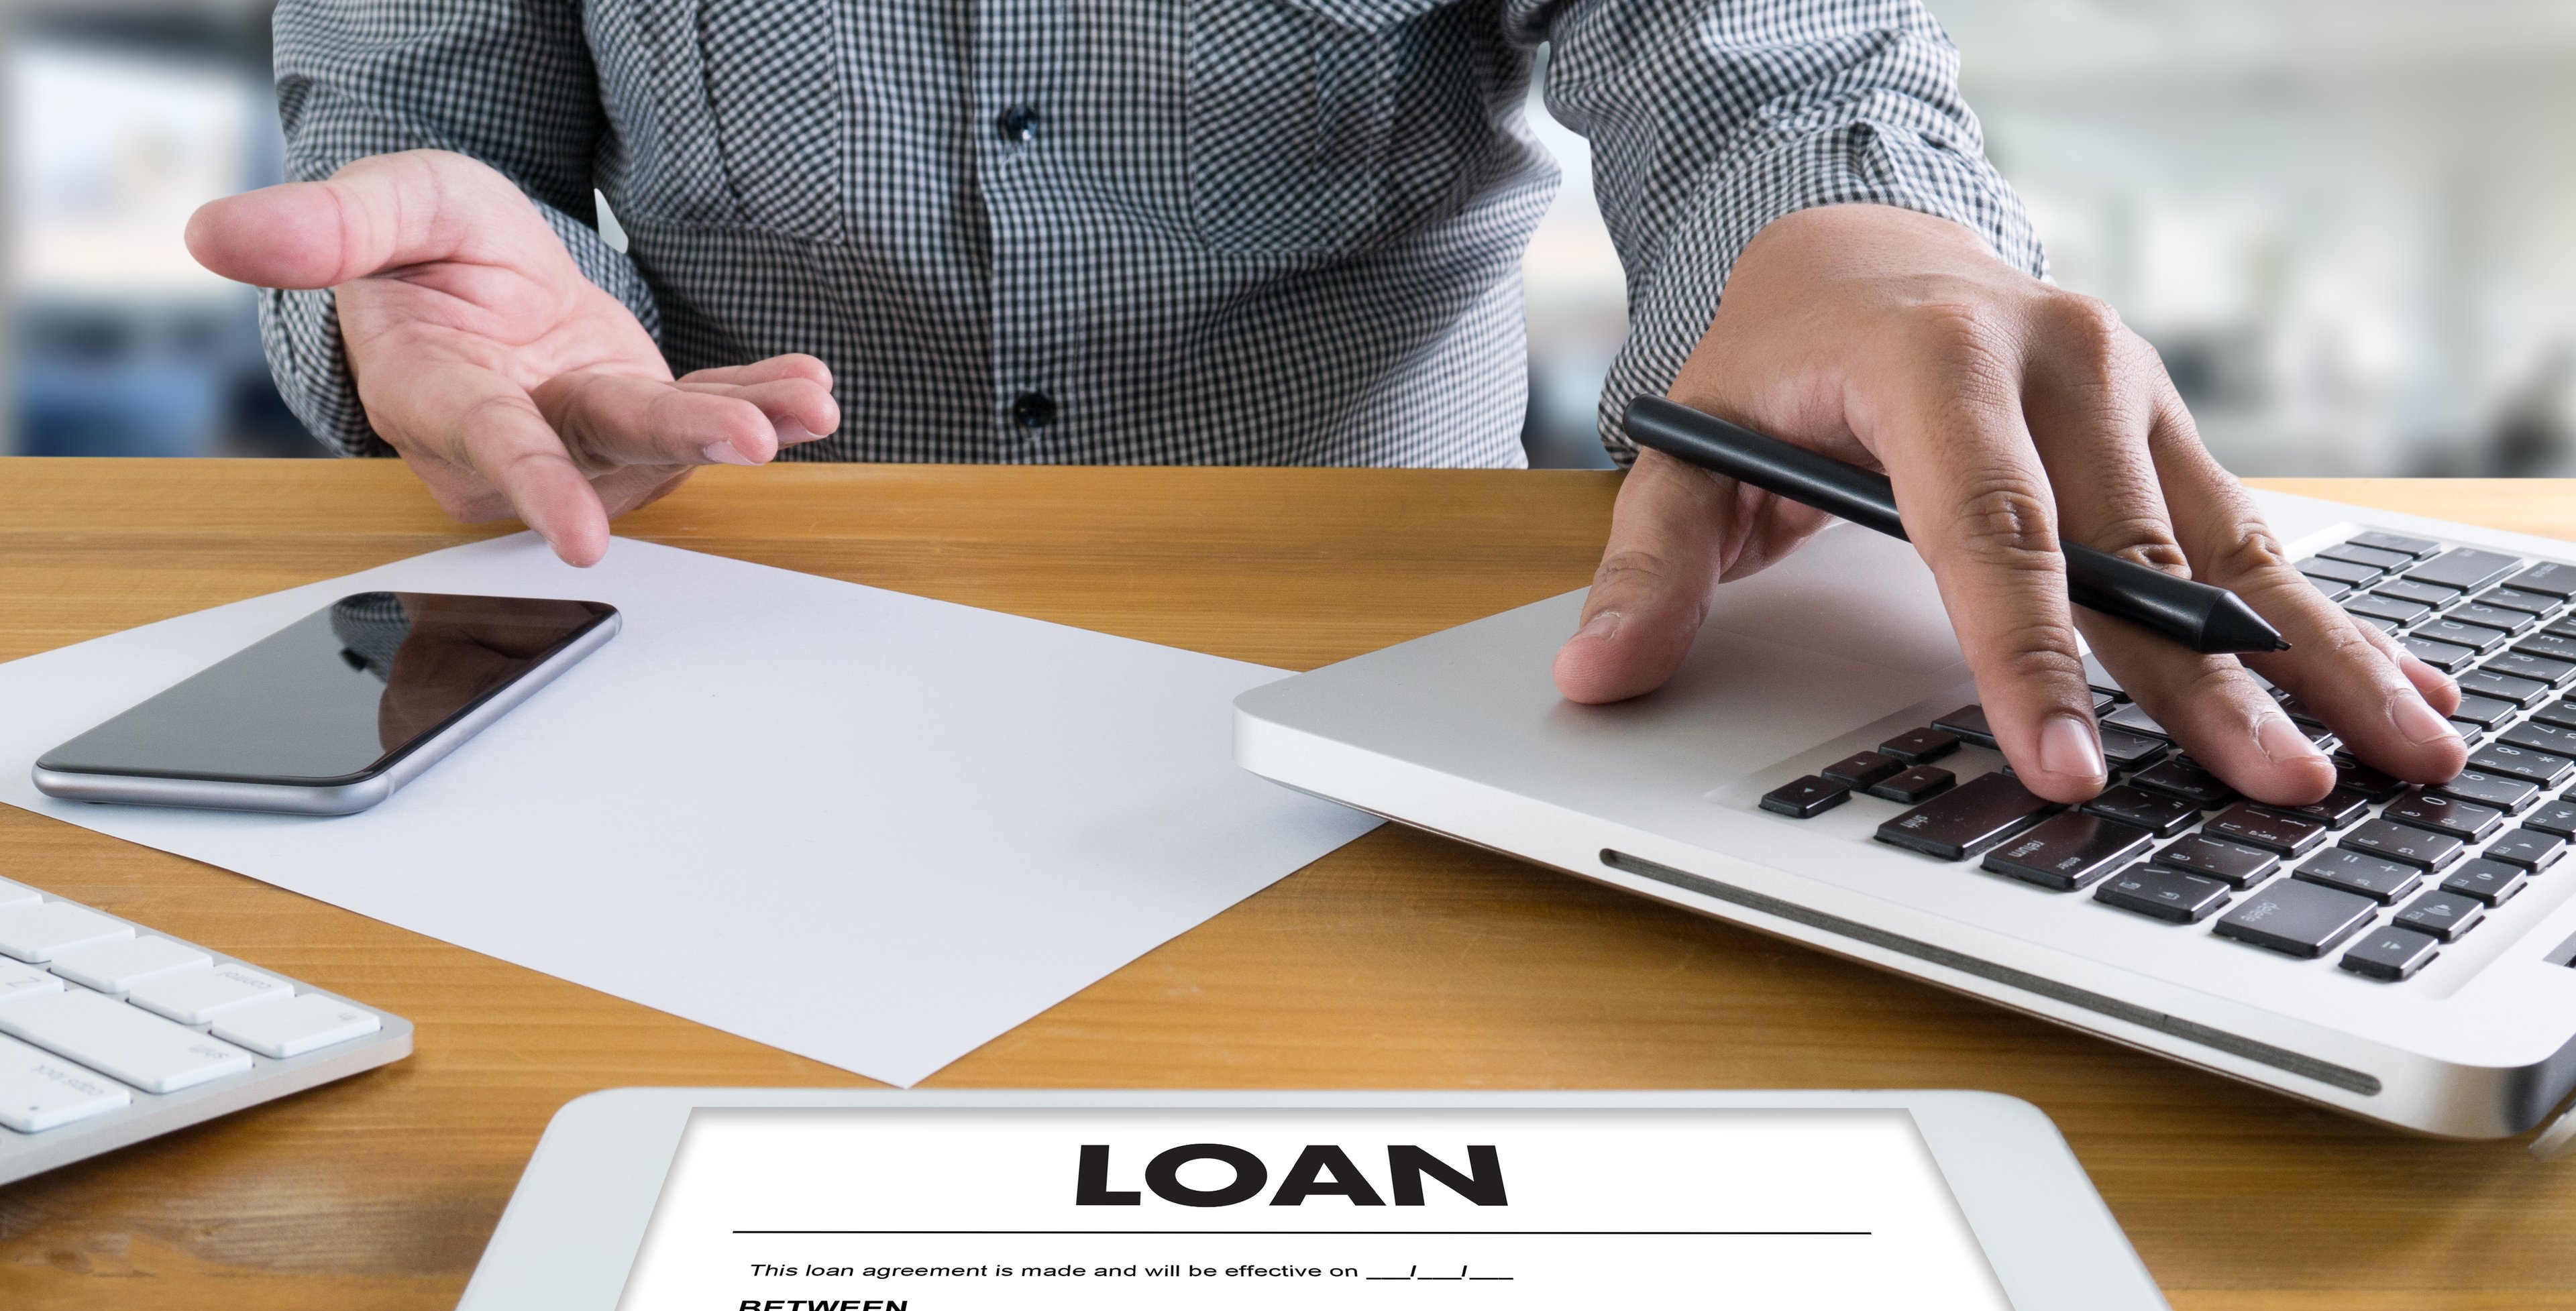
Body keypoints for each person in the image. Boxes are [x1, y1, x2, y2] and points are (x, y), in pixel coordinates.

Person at [188, 0, 2465, 810]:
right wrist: (474, 340)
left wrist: (1869, 240)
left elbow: (1769, 65)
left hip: (1380, 697)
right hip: (701, 645)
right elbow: (416, 157)